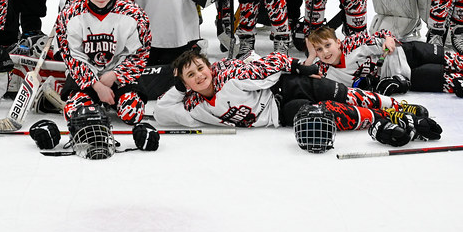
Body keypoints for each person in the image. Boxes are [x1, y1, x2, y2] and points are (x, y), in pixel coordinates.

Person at [154, 50, 441, 148]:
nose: (199, 76)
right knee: (324, 114)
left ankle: (397, 106)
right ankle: (384, 121)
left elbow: (270, 64)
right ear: (185, 84)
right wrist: (179, 87)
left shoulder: (231, 75)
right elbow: (164, 112)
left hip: (285, 85)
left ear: (209, 66)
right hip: (279, 112)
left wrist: (299, 67)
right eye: (191, 76)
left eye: (200, 68)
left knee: (335, 91)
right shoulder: (194, 107)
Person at [53, 0, 151, 124]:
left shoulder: (134, 13)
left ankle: (116, 101)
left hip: (121, 76)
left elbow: (140, 54)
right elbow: (72, 57)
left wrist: (115, 75)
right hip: (86, 78)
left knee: (132, 114)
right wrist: (97, 86)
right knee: (75, 115)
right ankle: (96, 101)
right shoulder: (70, 15)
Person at [305, 25, 463, 98]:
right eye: (319, 50)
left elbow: (384, 34)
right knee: (460, 80)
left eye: (327, 45)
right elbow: (303, 73)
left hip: (410, 52)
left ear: (338, 43)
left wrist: (388, 39)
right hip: (408, 76)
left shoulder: (352, 43)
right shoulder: (326, 72)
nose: (325, 52)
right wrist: (311, 56)